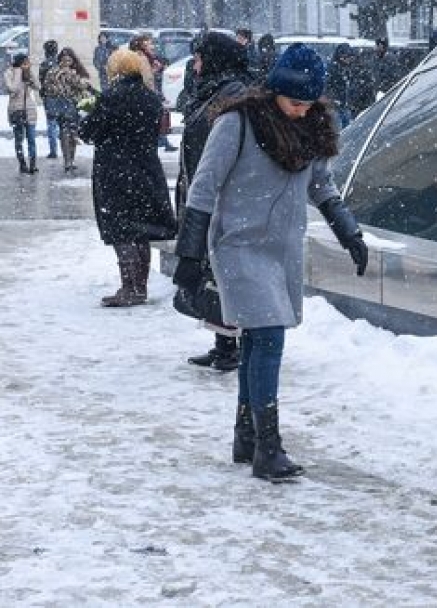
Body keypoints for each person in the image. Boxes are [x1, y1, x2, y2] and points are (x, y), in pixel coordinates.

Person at [172, 43, 369, 481]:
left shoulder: (311, 129)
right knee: (270, 337)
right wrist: (189, 253)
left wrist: (349, 231)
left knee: (258, 341)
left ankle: (246, 436)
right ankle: (268, 447)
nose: (300, 111)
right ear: (276, 91)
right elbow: (204, 189)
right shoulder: (236, 123)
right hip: (239, 247)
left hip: (281, 252)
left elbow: (322, 186)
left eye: (307, 103)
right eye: (294, 102)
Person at [176, 31, 255, 372]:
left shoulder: (232, 94)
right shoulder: (214, 91)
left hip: (225, 198)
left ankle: (236, 345)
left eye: (198, 59)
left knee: (225, 273)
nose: (194, 65)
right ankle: (224, 342)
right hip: (208, 193)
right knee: (215, 274)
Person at [78, 48, 177, 307]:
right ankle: (140, 288)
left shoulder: (111, 97)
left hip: (115, 171)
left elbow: (89, 132)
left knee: (121, 229)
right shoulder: (151, 98)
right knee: (141, 229)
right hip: (146, 168)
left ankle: (128, 288)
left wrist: (88, 115)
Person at [44, 47, 93, 172]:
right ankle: (67, 161)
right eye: (64, 60)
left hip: (74, 106)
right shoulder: (53, 71)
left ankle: (71, 159)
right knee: (64, 132)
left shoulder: (76, 71)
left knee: (73, 133)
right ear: (60, 60)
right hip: (61, 106)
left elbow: (82, 85)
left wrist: (71, 75)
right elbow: (48, 88)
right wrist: (59, 78)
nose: (66, 63)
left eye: (69, 60)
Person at [129, 33, 177, 152]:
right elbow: (146, 78)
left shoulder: (145, 57)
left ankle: (161, 141)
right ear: (142, 45)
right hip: (146, 95)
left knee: (156, 119)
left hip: (146, 94)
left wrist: (154, 70)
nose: (153, 46)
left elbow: (146, 76)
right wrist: (153, 94)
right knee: (155, 120)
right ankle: (159, 142)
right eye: (150, 43)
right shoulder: (142, 57)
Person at [4, 53, 41, 174]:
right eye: (25, 62)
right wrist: (19, 72)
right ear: (19, 63)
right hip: (16, 109)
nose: (27, 64)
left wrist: (30, 75)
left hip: (29, 109)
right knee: (19, 140)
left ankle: (33, 164)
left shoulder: (28, 72)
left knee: (31, 139)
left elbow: (38, 86)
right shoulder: (9, 73)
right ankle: (22, 164)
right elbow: (12, 88)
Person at [326, 43, 357, 128]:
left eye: (349, 57)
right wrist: (334, 99)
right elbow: (327, 87)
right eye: (346, 57)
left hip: (345, 105)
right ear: (341, 56)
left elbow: (351, 85)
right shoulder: (333, 69)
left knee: (347, 129)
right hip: (336, 107)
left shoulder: (347, 68)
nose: (349, 59)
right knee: (338, 130)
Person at [38, 40, 60, 160]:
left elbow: (41, 80)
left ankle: (53, 150)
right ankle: (66, 150)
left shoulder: (44, 64)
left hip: (49, 97)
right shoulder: (60, 63)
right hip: (61, 97)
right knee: (62, 124)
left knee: (51, 124)